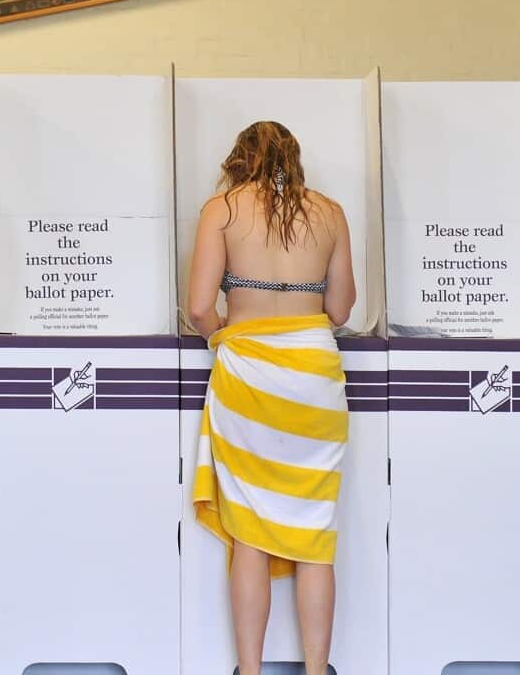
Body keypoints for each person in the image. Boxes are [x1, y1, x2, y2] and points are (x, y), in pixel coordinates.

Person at [187, 121, 355, 675]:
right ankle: (317, 670)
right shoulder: (330, 213)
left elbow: (199, 308)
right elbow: (340, 310)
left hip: (249, 377)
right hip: (314, 378)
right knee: (315, 533)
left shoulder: (222, 209)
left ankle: (250, 671)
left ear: (239, 159)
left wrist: (228, 334)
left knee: (250, 534)